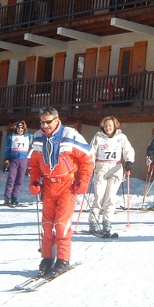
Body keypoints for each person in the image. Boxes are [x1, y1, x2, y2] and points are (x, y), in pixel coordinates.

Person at [28, 108, 94, 277]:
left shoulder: (70, 135)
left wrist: (84, 181)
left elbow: (87, 159)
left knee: (62, 224)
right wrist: (35, 181)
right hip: (49, 185)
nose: (45, 125)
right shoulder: (37, 137)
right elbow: (34, 163)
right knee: (47, 225)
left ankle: (63, 259)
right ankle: (47, 258)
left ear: (57, 120)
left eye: (48, 122)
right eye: (42, 122)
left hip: (67, 185)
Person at [88, 116, 135, 235]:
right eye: (105, 125)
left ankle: (107, 222)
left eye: (110, 125)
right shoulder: (98, 137)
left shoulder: (121, 137)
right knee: (99, 196)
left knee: (110, 197)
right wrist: (90, 165)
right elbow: (91, 152)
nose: (107, 128)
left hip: (116, 167)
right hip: (101, 167)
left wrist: (129, 162)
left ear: (114, 126)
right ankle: (93, 222)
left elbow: (128, 150)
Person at [2, 120, 33, 206]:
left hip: (23, 160)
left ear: (24, 129)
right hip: (14, 159)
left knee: (20, 180)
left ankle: (14, 197)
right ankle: (7, 197)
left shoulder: (29, 136)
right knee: (11, 179)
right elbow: (7, 148)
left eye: (22, 128)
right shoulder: (11, 136)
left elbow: (35, 143)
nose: (20, 130)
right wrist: (7, 158)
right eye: (18, 128)